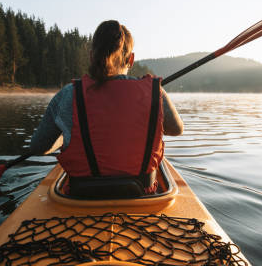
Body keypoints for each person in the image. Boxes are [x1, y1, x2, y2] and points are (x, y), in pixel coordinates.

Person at [30, 20, 183, 195]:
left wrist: (65, 134)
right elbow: (177, 129)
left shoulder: (68, 94)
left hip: (80, 200)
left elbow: (38, 147)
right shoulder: (155, 92)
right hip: (141, 197)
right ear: (131, 60)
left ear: (91, 56)